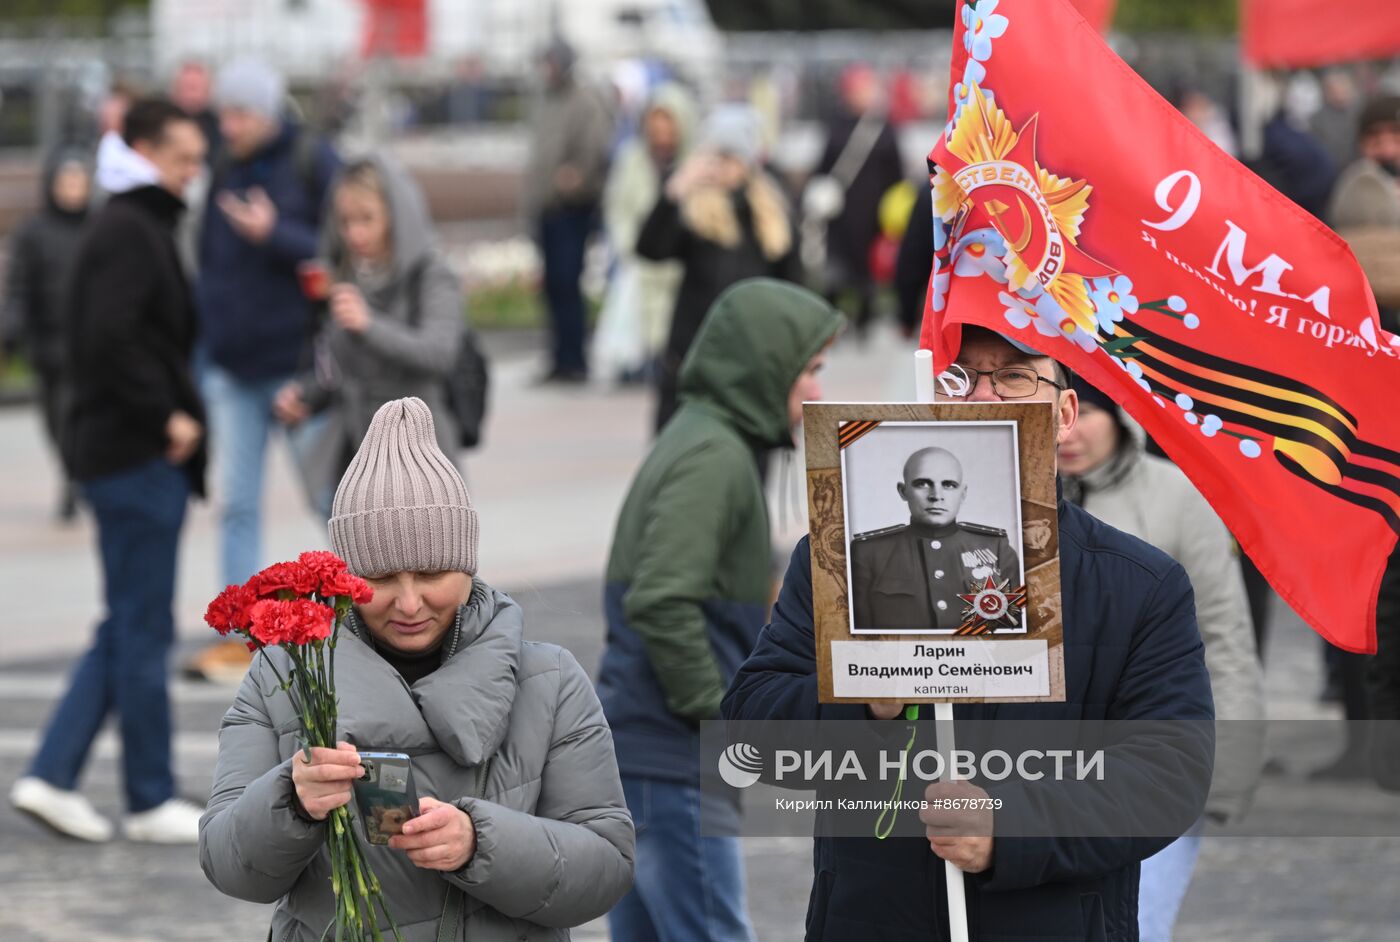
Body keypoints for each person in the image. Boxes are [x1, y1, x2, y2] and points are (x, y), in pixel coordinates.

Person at [723, 325, 1215, 940]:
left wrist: (1007, 829)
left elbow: (1167, 777)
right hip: (872, 919)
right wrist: (865, 702)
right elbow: (749, 726)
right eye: (959, 377)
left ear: (1064, 413)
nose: (983, 397)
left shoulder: (1141, 583)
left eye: (1014, 376)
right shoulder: (840, 561)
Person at [199, 397, 635, 940]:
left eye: (431, 573)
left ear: (467, 565)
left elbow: (607, 862)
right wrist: (290, 799)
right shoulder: (283, 681)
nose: (408, 603)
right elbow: (226, 861)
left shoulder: (549, 681)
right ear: (344, 579)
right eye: (380, 579)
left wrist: (480, 842)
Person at [598, 279, 843, 942]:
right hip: (671, 759)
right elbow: (662, 597)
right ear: (765, 366)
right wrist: (723, 717)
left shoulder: (711, 438)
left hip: (648, 753)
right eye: (810, 370)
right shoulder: (717, 457)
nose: (818, 391)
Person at [9, 99, 209, 844]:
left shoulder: (131, 222)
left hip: (125, 457)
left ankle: (54, 774)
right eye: (184, 158)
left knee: (126, 624)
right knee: (141, 626)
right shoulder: (131, 227)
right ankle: (149, 795)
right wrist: (169, 415)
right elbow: (108, 338)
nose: (195, 172)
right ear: (149, 151)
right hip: (134, 457)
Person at [1058, 378, 1265, 942]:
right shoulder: (1013, 499)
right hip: (1049, 765)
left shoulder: (1179, 494)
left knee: (1139, 925)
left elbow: (1223, 630)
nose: (1070, 432)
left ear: (1124, 416)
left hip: (1153, 758)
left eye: (1089, 413)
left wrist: (1230, 760)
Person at [186, 58, 339, 684]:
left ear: (269, 110)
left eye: (240, 112)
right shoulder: (224, 164)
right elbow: (207, 257)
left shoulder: (312, 159)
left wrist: (276, 232)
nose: (229, 124)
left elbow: (337, 246)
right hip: (232, 366)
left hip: (293, 369)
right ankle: (241, 634)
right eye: (224, 112)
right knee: (238, 504)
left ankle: (370, 609)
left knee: (331, 498)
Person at [273, 155, 464, 517]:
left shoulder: (429, 273)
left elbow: (439, 353)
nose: (355, 233)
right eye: (345, 221)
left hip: (420, 450)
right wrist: (306, 394)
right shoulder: (346, 276)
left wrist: (369, 324)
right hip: (358, 450)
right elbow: (340, 367)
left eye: (367, 219)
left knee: (427, 562)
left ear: (396, 216)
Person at [637, 105, 801, 432]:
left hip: (754, 364)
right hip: (693, 359)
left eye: (731, 157)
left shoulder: (771, 213)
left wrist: (792, 367)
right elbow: (649, 249)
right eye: (715, 157)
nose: (722, 167)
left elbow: (794, 289)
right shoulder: (694, 212)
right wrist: (675, 189)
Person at [3, 148, 92, 521]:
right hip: (47, 346)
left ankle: (74, 481)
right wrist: (11, 329)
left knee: (75, 417)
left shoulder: (99, 228)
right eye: (65, 182)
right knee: (55, 421)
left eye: (78, 182)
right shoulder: (33, 233)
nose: (72, 189)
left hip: (89, 346)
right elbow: (20, 287)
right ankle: (72, 471)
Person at [850, 446, 1021, 633]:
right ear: (903, 491)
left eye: (948, 485)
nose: (936, 496)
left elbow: (1020, 631)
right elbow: (858, 641)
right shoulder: (867, 552)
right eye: (922, 483)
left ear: (962, 493)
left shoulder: (995, 548)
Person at [522, 38, 614, 385]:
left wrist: (575, 177)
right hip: (546, 208)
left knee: (567, 281)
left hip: (570, 209)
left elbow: (594, 148)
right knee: (553, 287)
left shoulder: (584, 100)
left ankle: (575, 360)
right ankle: (559, 357)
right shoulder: (547, 100)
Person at [594, 83, 696, 384]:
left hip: (680, 264)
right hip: (642, 257)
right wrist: (628, 246)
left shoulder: (692, 163)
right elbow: (618, 207)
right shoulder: (633, 160)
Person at [812, 64, 905, 333]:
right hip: (839, 211)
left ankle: (865, 320)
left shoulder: (883, 127)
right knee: (837, 268)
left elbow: (895, 173)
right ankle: (831, 321)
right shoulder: (835, 124)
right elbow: (824, 164)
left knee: (867, 268)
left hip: (874, 212)